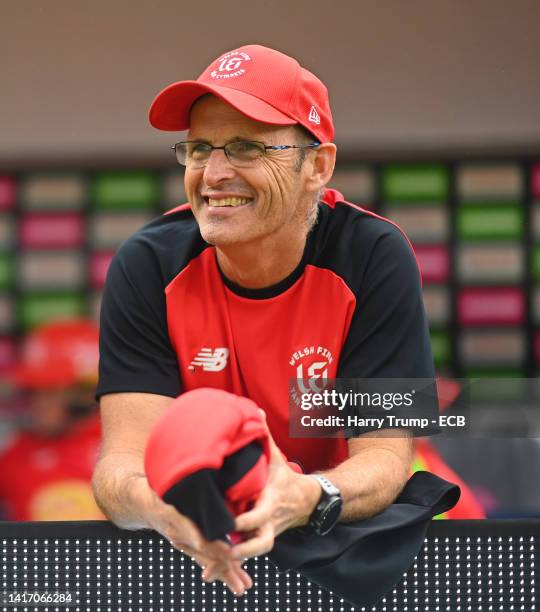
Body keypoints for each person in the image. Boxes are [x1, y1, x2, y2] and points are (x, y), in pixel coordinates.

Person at [92, 44, 437, 596]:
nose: (214, 172)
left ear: (317, 166)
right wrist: (164, 511)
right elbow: (121, 467)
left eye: (246, 147)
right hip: (214, 551)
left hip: (358, 534)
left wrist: (309, 497)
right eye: (200, 147)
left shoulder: (375, 253)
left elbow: (387, 455)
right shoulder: (147, 263)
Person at [0, 319, 104, 521]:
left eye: (51, 391)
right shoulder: (18, 453)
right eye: (34, 391)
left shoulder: (127, 446)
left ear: (86, 392)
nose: (38, 403)